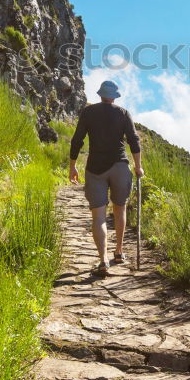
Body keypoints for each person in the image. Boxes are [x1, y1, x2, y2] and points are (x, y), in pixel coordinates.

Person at [69, 79, 143, 276]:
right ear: (115, 96)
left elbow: (77, 140)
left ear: (100, 94)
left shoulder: (88, 112)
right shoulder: (123, 113)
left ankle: (103, 260)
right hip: (120, 166)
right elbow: (134, 141)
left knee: (99, 216)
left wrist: (73, 166)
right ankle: (118, 252)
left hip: (95, 168)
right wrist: (138, 166)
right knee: (120, 209)